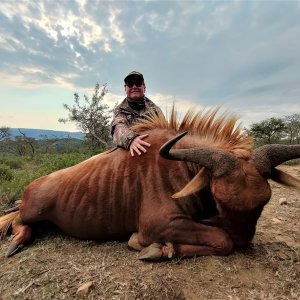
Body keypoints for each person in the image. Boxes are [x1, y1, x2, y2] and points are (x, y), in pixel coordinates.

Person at [111, 71, 164, 156]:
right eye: (130, 84)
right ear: (125, 88)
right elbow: (118, 128)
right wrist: (131, 140)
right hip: (128, 154)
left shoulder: (155, 110)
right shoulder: (120, 110)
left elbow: (164, 132)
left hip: (154, 153)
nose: (134, 86)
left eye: (138, 83)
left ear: (144, 87)